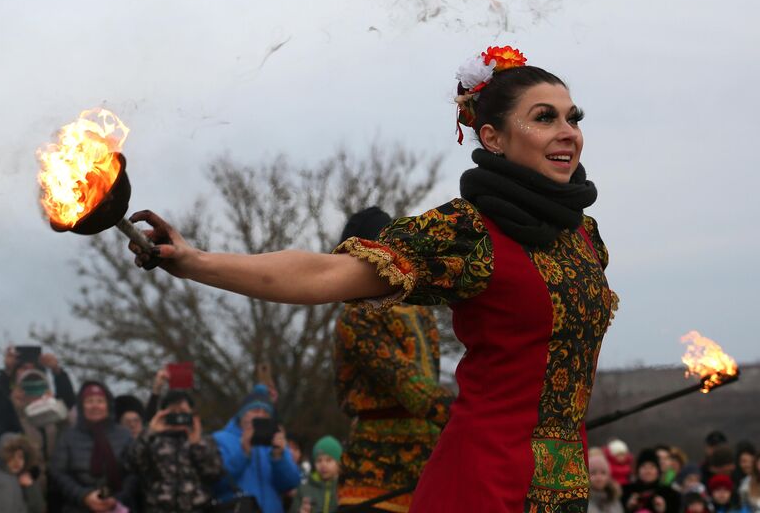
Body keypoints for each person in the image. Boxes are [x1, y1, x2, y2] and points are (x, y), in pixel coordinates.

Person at [128, 44, 619, 512]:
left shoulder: (584, 238)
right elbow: (325, 273)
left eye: (572, 118)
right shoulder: (466, 233)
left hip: (564, 486)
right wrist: (196, 261)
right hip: (483, 481)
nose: (568, 131)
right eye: (544, 117)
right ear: (492, 137)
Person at [334, 207, 454, 512]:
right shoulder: (355, 315)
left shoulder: (421, 311)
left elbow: (424, 383)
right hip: (372, 478)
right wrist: (467, 416)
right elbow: (405, 381)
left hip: (421, 475)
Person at [125, 390, 223, 512]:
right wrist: (149, 432)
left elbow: (214, 474)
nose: (178, 417)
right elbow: (132, 464)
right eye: (173, 413)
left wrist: (197, 445)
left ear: (192, 413)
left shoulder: (204, 440)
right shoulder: (153, 440)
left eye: (183, 412)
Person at [212, 384, 300, 513]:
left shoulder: (274, 442)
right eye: (255, 410)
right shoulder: (219, 440)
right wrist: (243, 451)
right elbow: (217, 483)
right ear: (242, 414)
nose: (260, 415)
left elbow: (291, 483)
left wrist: (279, 457)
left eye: (265, 412)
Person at [49, 381, 134, 513]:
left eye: (100, 401)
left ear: (108, 405)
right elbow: (58, 473)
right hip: (77, 507)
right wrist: (84, 496)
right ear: (82, 406)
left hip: (117, 507)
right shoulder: (68, 436)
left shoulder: (124, 435)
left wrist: (117, 499)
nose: (95, 406)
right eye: (89, 401)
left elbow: (133, 472)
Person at [289, 435, 342, 513]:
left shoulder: (346, 490)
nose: (323, 465)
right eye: (319, 461)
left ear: (339, 463)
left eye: (328, 460)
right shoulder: (304, 490)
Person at [0, 433, 46, 513]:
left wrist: (31, 487)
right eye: (12, 456)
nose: (17, 461)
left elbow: (39, 509)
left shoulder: (25, 480)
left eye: (20, 457)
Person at [621, 448, 680, 512]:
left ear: (658, 471)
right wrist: (629, 506)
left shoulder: (669, 494)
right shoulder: (626, 492)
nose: (648, 471)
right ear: (638, 470)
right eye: (644, 467)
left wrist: (663, 510)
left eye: (652, 467)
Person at [587, 448, 623, 513]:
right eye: (593, 473)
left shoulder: (614, 498)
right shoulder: (581, 502)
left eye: (603, 473)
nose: (599, 478)